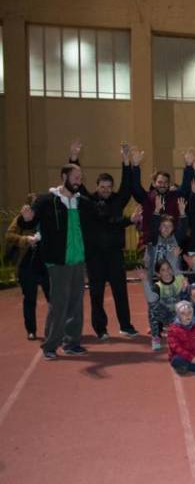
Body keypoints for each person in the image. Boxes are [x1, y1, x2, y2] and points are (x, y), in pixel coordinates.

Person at [70, 142, 140, 339]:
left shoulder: (118, 200)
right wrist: (74, 159)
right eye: (103, 187)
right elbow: (77, 184)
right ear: (97, 186)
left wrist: (125, 161)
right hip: (94, 256)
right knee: (96, 293)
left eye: (109, 187)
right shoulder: (88, 200)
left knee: (120, 291)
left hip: (115, 254)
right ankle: (100, 329)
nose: (106, 190)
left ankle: (126, 326)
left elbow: (127, 185)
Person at [31, 162, 97, 360]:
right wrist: (26, 218)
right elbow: (29, 220)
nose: (79, 181)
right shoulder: (46, 200)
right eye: (76, 178)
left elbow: (103, 217)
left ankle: (72, 343)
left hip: (78, 261)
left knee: (76, 303)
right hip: (58, 262)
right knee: (59, 304)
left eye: (80, 178)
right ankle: (50, 345)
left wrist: (129, 219)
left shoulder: (82, 202)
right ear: (64, 177)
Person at [5, 201, 50, 340]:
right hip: (27, 265)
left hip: (45, 264)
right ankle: (31, 330)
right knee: (30, 299)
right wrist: (25, 239)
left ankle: (56, 328)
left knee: (53, 298)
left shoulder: (45, 218)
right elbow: (9, 235)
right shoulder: (20, 219)